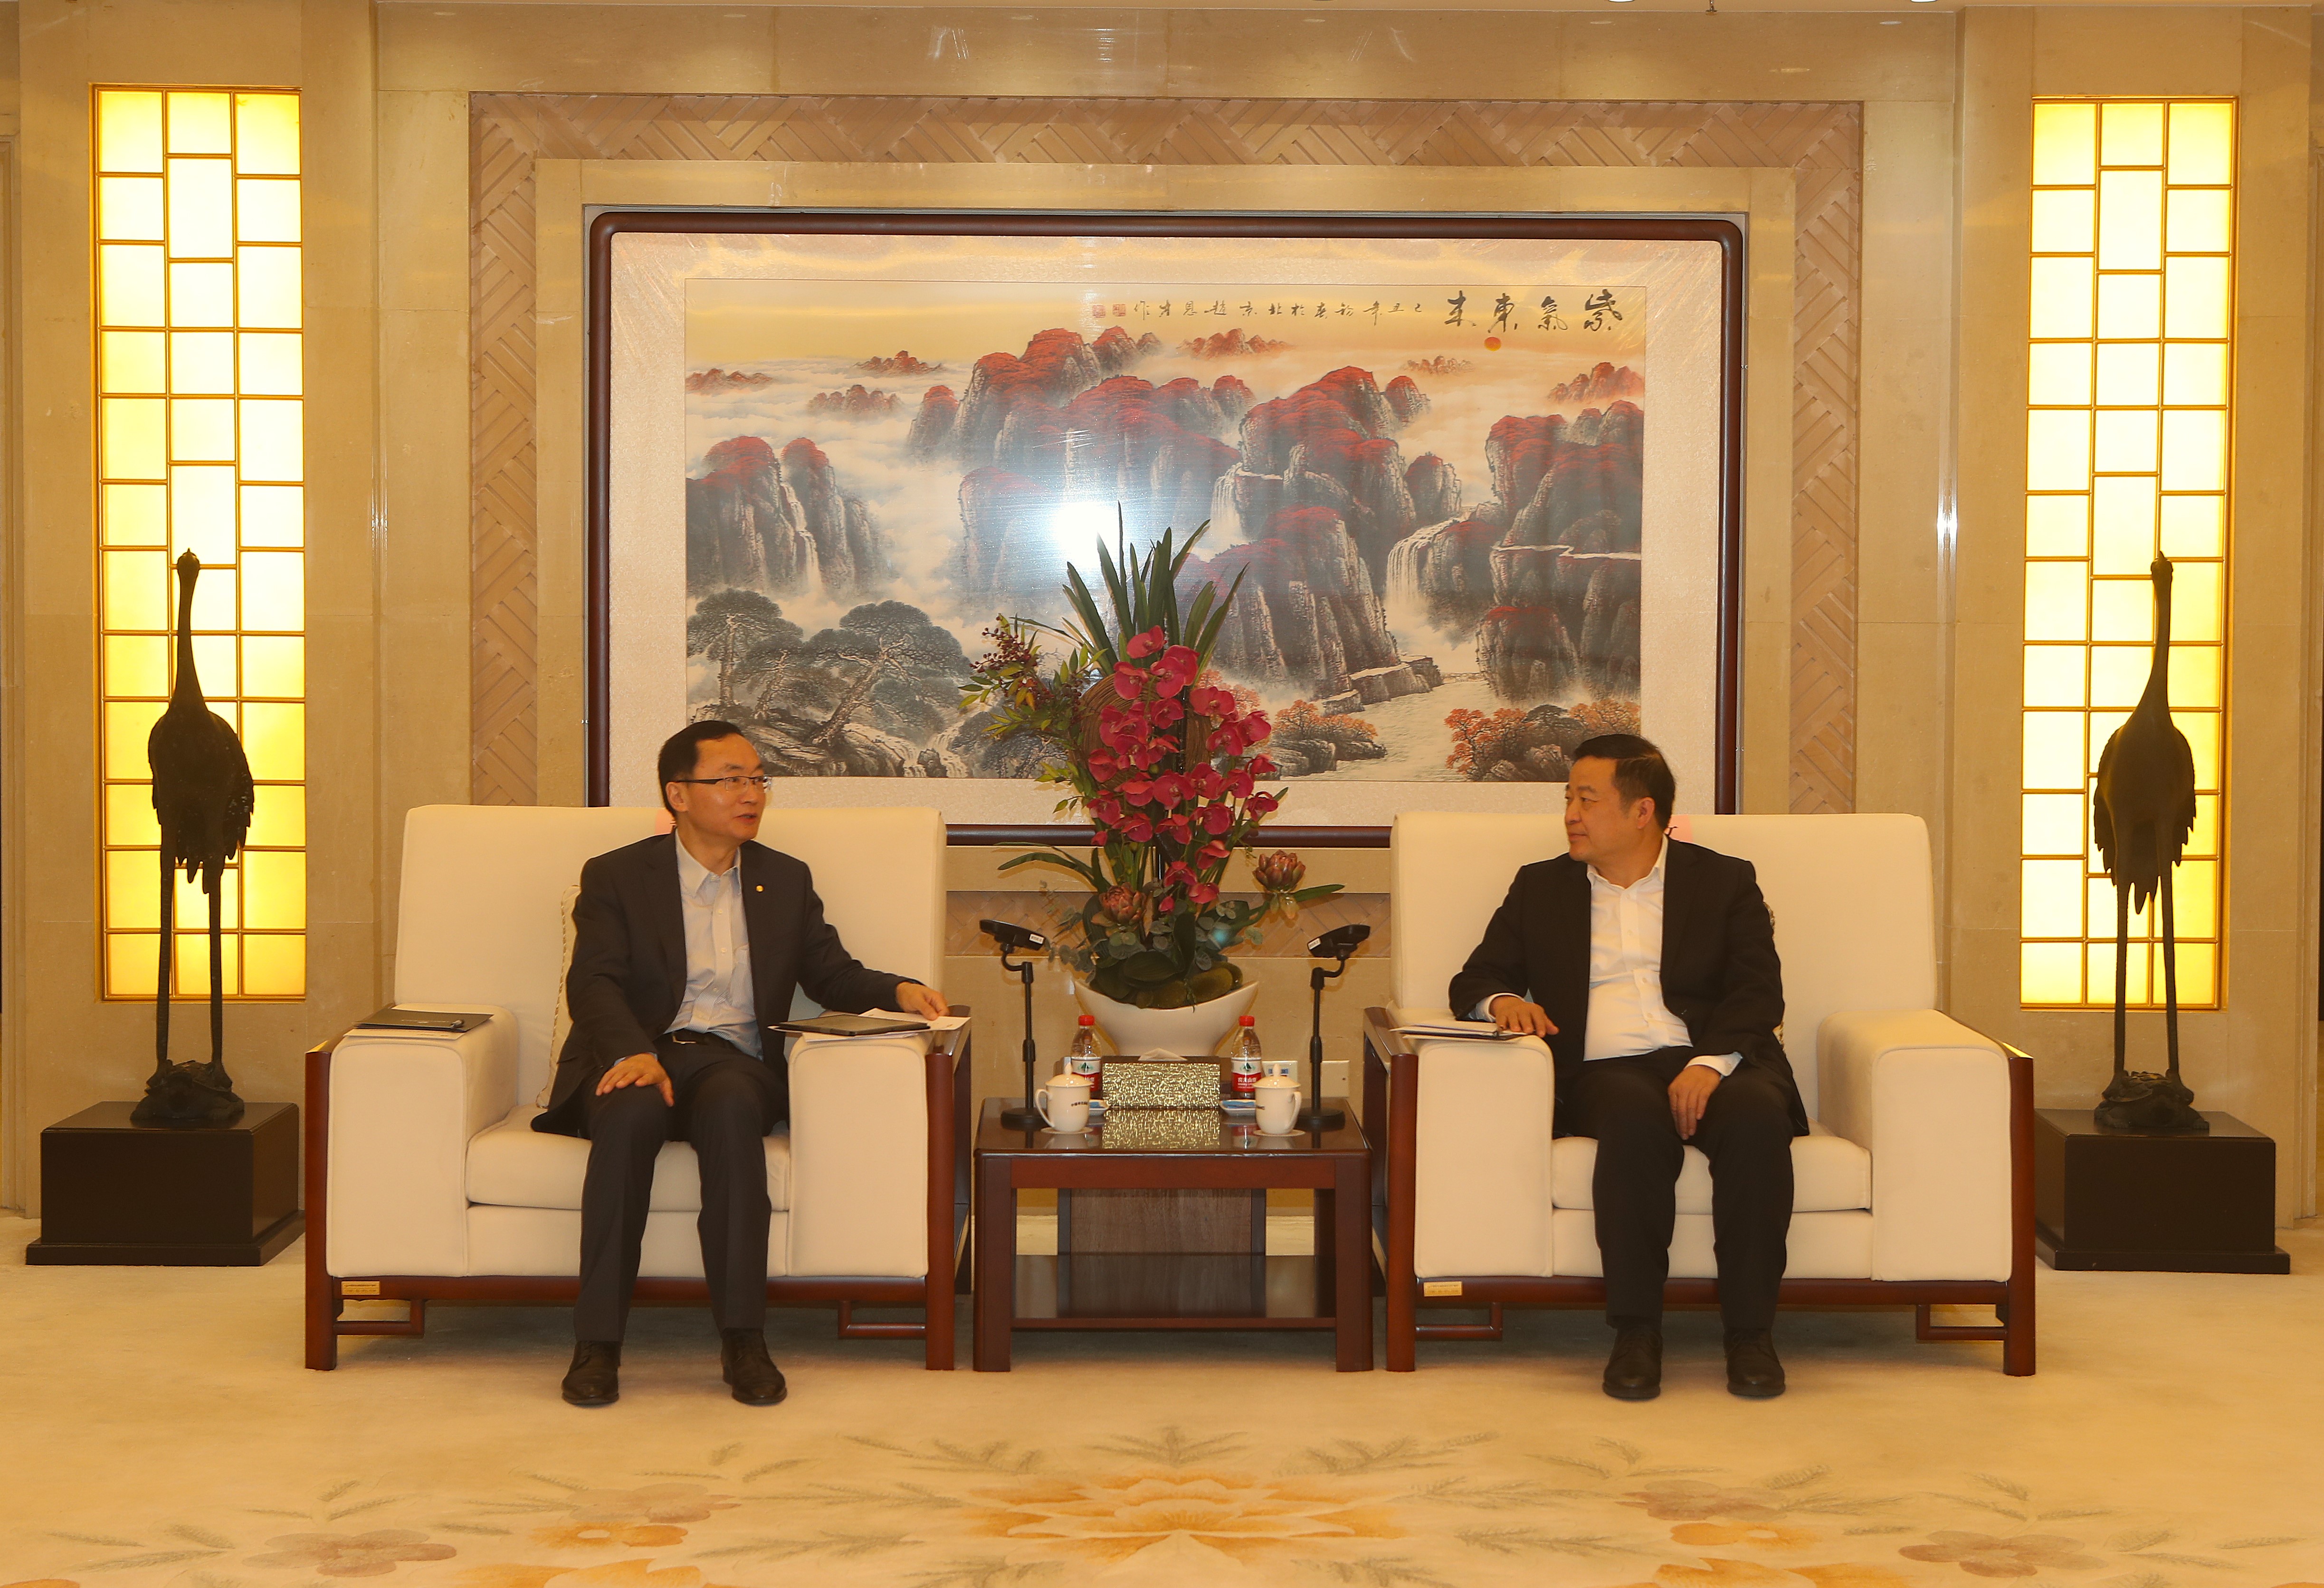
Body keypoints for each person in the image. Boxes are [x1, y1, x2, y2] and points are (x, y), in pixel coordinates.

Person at [534, 719, 950, 1408]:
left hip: (731, 1063)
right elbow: (595, 983)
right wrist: (634, 1052)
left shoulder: (782, 878)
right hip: (638, 1053)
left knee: (730, 1108)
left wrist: (899, 989)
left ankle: (744, 1339)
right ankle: (597, 1342)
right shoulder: (617, 876)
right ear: (678, 794)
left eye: (757, 779)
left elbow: (830, 973)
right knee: (629, 1117)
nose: (751, 793)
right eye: (731, 780)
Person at [1448, 734, 1800, 1401]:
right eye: (1569, 799)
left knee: (1757, 1119)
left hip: (1716, 1058)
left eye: (1587, 800)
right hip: (1607, 1068)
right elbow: (1475, 977)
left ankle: (1751, 1334)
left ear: (1643, 811)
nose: (1571, 815)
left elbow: (1759, 992)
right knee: (1634, 1124)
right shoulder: (1542, 886)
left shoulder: (1725, 880)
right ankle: (1637, 1331)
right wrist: (1502, 1003)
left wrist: (1709, 1064)